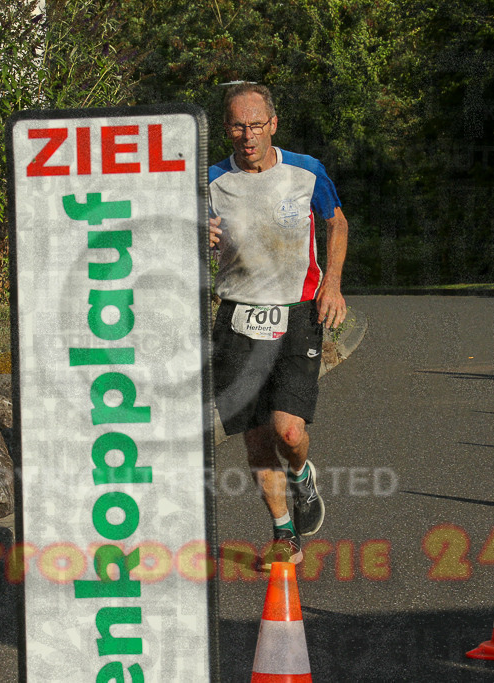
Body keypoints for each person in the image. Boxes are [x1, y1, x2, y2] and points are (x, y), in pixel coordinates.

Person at [208, 82, 348, 568]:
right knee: (254, 436)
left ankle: (302, 474)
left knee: (288, 431)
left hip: (297, 310)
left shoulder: (307, 172)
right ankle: (283, 532)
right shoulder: (209, 183)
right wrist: (194, 234)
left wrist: (331, 284)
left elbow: (337, 222)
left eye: (255, 125)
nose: (247, 136)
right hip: (237, 315)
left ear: (273, 124)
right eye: (237, 126)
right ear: (225, 128)